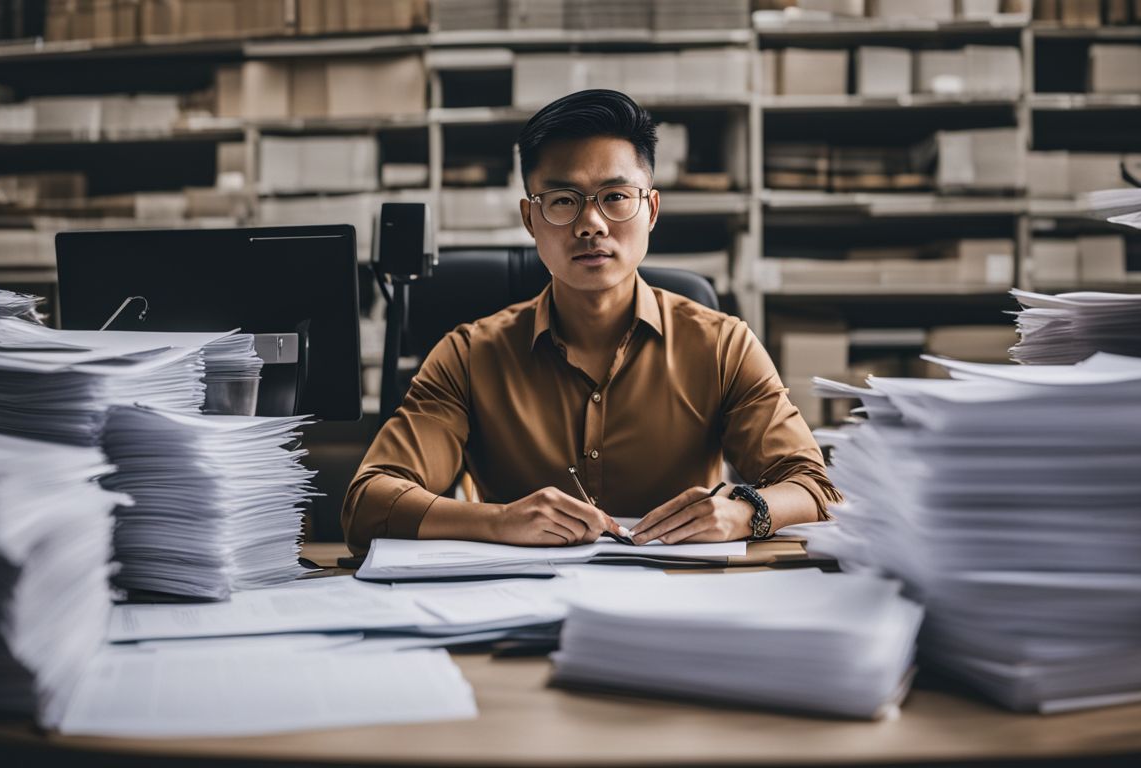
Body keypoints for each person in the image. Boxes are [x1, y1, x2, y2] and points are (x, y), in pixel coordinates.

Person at [342, 89, 839, 553]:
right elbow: (367, 503)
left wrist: (740, 513)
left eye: (616, 196)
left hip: (678, 599)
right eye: (562, 201)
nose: (590, 224)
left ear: (652, 210)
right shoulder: (469, 355)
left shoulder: (722, 344)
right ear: (529, 219)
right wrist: (496, 522)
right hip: (517, 605)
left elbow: (817, 489)